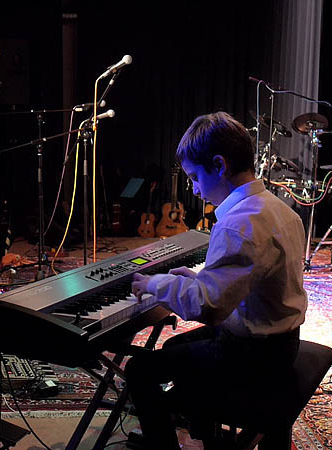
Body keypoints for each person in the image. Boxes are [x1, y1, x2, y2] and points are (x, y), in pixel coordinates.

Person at [127, 112, 308, 449]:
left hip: (252, 356)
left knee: (139, 370)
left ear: (219, 165)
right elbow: (250, 281)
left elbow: (207, 308)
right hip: (284, 342)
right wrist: (198, 279)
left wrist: (154, 284)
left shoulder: (238, 224)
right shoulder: (281, 210)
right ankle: (206, 430)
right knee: (173, 347)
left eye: (195, 177)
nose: (195, 190)